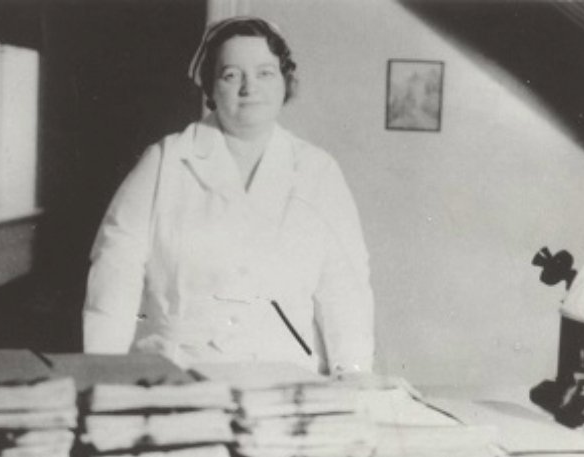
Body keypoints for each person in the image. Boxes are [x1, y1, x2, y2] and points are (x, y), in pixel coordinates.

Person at [82, 16, 374, 376]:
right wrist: (103, 373)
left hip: (285, 382)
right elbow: (115, 272)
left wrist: (354, 378)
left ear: (285, 81)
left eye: (265, 72)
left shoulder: (318, 172)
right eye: (231, 74)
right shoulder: (165, 161)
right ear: (210, 86)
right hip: (175, 375)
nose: (249, 87)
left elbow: (344, 291)